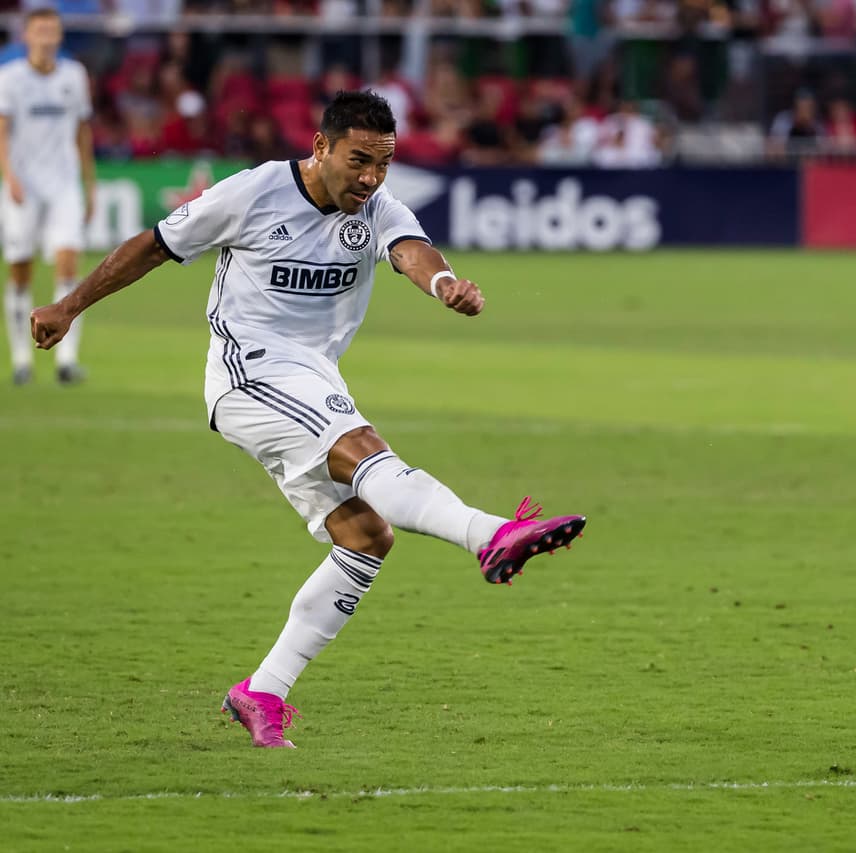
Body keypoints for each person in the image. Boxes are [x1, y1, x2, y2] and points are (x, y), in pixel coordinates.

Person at [29, 90, 587, 749]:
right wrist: (69, 306)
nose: (371, 177)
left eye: (383, 163)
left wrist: (445, 287)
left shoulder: (378, 207)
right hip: (248, 370)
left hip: (310, 377)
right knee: (361, 447)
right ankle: (489, 533)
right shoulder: (254, 192)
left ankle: (262, 689)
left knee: (366, 537)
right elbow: (154, 246)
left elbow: (412, 251)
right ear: (320, 148)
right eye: (358, 161)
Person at [0, 8, 94, 386]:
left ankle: (65, 361)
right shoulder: (10, 79)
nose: (47, 37)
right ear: (27, 36)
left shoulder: (75, 76)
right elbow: (2, 132)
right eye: (40, 30)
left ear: (58, 36)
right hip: (23, 186)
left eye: (53, 31)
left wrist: (91, 184)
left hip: (63, 186)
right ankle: (22, 359)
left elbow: (83, 132)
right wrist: (9, 176)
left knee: (68, 263)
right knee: (20, 271)